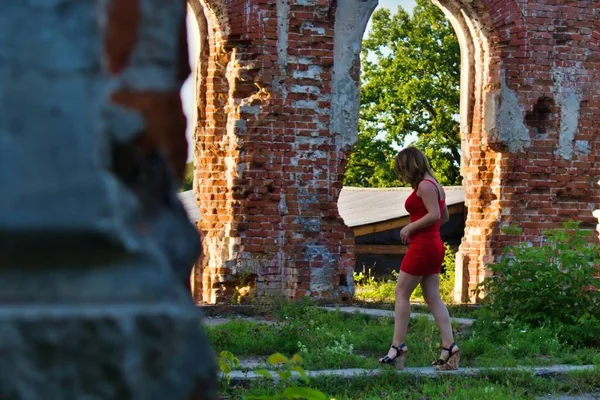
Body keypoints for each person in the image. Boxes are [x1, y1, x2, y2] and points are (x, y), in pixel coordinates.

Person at [378, 147, 460, 371]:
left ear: (409, 165)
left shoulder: (424, 185)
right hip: (433, 243)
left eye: (401, 168)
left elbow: (434, 215)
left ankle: (397, 347)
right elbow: (444, 217)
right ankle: (449, 347)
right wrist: (426, 230)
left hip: (424, 246)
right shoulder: (435, 184)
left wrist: (411, 227)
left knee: (401, 293)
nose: (401, 174)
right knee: (433, 296)